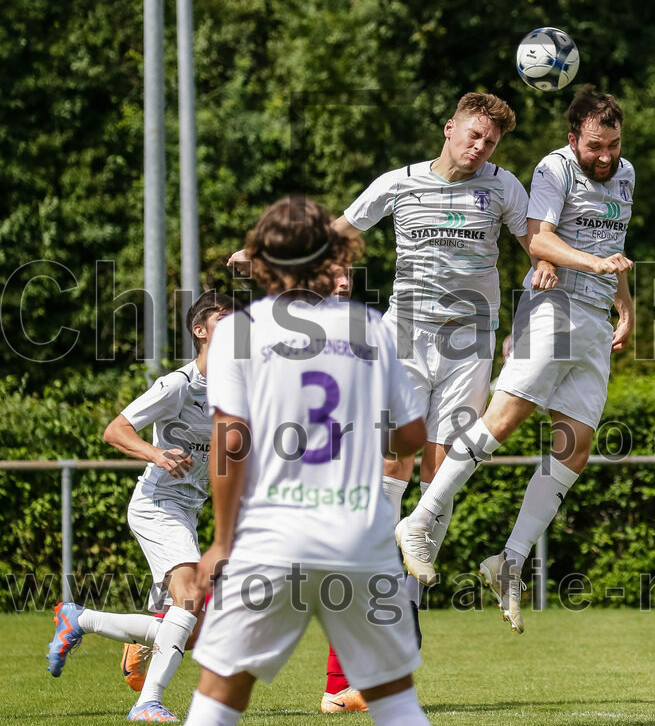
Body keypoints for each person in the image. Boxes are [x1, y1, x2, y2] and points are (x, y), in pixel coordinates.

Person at [312, 93, 556, 713]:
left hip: (469, 346)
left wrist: (546, 264)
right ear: (449, 129)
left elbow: (534, 237)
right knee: (393, 469)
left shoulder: (502, 187)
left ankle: (403, 600)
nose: (480, 148)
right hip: (405, 339)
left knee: (440, 471)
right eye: (473, 135)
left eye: (491, 142)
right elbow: (338, 232)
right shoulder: (399, 184)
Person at [395, 84, 635, 634]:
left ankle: (510, 560)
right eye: (595, 145)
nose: (606, 156)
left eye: (614, 145)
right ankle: (420, 520)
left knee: (575, 446)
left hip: (595, 320)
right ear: (574, 138)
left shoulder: (626, 174)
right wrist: (595, 266)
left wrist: (626, 302)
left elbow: (617, 239)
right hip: (553, 309)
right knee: (502, 420)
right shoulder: (554, 170)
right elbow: (539, 241)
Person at [182, 196, 429, 726]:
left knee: (217, 700)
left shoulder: (235, 332)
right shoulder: (369, 328)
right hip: (360, 538)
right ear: (333, 254)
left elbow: (230, 444)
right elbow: (411, 438)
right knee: (396, 703)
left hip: (273, 538)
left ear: (262, 261)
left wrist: (222, 543)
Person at [45, 290, 234, 723]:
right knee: (189, 600)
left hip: (188, 510)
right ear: (200, 332)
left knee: (188, 630)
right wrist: (157, 454)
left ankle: (79, 619)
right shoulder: (178, 385)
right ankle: (147, 703)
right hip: (157, 504)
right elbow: (116, 430)